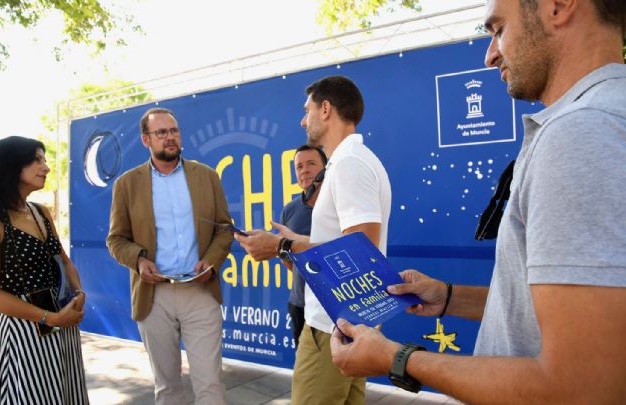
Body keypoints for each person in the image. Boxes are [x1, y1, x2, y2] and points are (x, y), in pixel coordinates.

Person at [329, 0, 626, 403]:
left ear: (558, 6)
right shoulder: (605, 118)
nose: (490, 55)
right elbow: (564, 317)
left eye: (499, 29)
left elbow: (581, 388)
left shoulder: (580, 134)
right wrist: (450, 297)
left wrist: (396, 358)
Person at [236, 75, 391, 405]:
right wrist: (299, 239)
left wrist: (281, 246)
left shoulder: (349, 163)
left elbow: (360, 253)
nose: (303, 120)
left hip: (331, 326)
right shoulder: (351, 161)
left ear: (326, 109)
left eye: (306, 111)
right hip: (347, 322)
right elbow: (344, 241)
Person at [106, 107, 233, 404]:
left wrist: (211, 261)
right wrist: (138, 260)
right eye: (161, 132)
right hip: (154, 295)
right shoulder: (126, 184)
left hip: (200, 291)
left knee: (211, 384)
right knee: (167, 387)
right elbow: (116, 239)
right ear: (146, 139)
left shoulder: (206, 176)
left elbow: (224, 228)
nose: (170, 137)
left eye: (174, 130)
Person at [0, 136, 89, 404]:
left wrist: (78, 292)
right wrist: (48, 318)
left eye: (45, 159)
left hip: (62, 321)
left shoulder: (41, 212)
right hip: (24, 330)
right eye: (37, 160)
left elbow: (63, 261)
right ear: (11, 165)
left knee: (65, 394)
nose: (46, 167)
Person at [282, 144, 327, 347]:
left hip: (331, 307)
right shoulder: (289, 210)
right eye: (299, 167)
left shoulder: (336, 206)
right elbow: (286, 258)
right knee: (303, 363)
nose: (305, 170)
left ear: (326, 168)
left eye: (311, 164)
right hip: (299, 304)